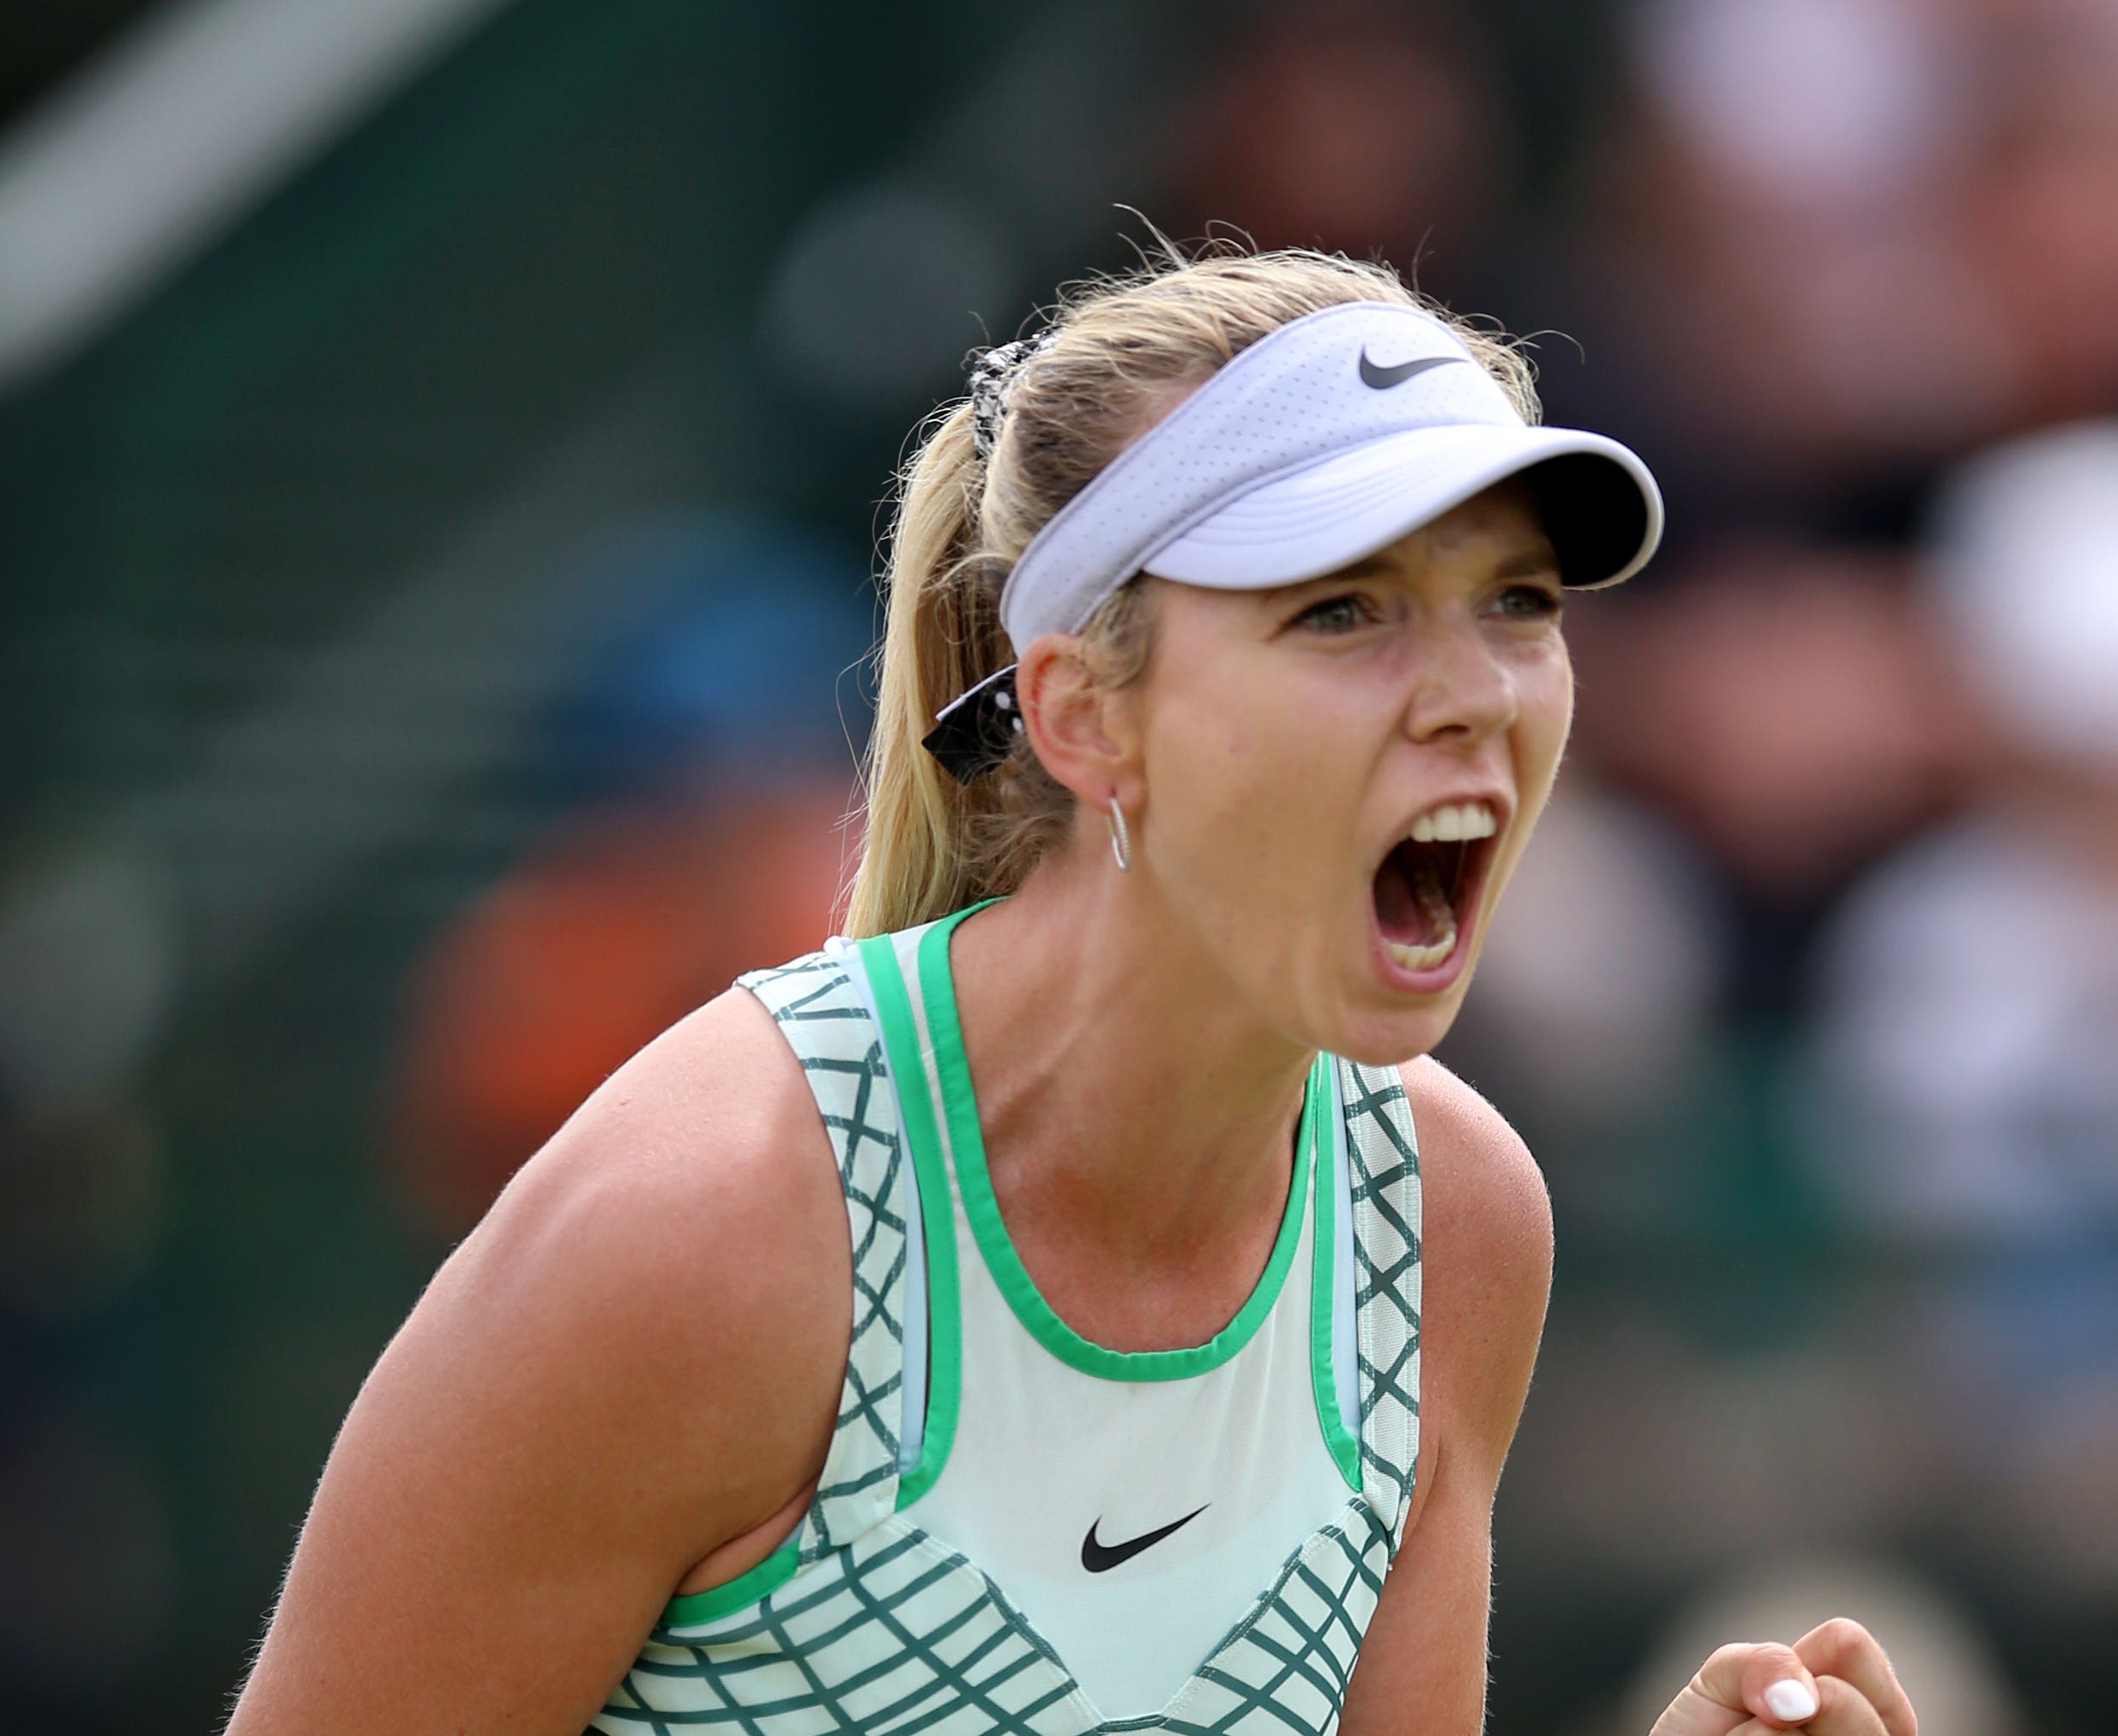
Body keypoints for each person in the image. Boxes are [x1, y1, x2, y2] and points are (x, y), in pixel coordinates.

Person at [225, 249, 1917, 1735]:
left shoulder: (1451, 1226)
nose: (1474, 693)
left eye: (1517, 604)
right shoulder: (708, 1230)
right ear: (1083, 715)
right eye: (1344, 612)